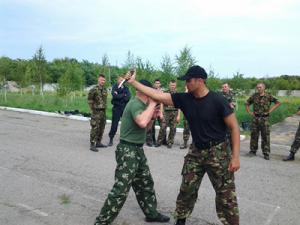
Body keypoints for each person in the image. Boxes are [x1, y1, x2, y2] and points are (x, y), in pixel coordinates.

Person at [125, 65, 240, 225]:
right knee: (187, 189)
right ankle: (180, 221)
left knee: (226, 195)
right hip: (196, 151)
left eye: (188, 80)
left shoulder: (218, 100)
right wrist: (133, 82)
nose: (186, 83)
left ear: (200, 81)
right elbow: (158, 95)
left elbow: (234, 127)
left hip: (218, 152)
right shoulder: (185, 99)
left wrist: (235, 157)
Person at [94, 79, 170, 225]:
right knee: (120, 190)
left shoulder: (143, 105)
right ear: (145, 91)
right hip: (128, 150)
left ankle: (151, 213)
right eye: (152, 91)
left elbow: (145, 128)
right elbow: (141, 122)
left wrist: (153, 117)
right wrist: (154, 103)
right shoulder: (135, 104)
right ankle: (101, 222)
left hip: (137, 150)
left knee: (145, 183)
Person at [245, 83, 281, 160]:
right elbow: (247, 103)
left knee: (265, 136)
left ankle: (266, 153)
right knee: (254, 135)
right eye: (257, 87)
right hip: (256, 118)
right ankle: (253, 151)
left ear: (264, 88)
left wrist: (270, 111)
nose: (259, 89)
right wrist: (250, 112)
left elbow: (278, 103)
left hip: (265, 119)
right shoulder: (254, 96)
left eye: (260, 87)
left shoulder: (268, 96)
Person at [156, 80, 180, 149]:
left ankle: (170, 142)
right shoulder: (165, 92)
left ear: (175, 86)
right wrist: (161, 112)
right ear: (169, 85)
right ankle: (159, 141)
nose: (172, 86)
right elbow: (161, 103)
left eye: (174, 85)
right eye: (171, 85)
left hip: (174, 113)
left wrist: (178, 115)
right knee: (163, 127)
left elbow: (179, 105)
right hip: (166, 113)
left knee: (173, 129)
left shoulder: (178, 94)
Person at [108, 76, 131, 146]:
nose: (121, 81)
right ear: (117, 80)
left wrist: (119, 95)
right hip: (116, 108)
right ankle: (111, 138)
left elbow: (128, 97)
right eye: (120, 80)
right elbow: (115, 96)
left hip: (124, 108)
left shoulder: (126, 88)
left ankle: (124, 139)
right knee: (114, 124)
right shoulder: (115, 87)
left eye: (123, 80)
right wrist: (123, 95)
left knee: (125, 124)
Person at [88, 74, 108, 152]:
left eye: (104, 80)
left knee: (101, 127)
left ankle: (98, 142)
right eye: (101, 80)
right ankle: (92, 144)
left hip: (103, 111)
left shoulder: (105, 89)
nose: (103, 81)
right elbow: (90, 100)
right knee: (95, 128)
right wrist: (93, 109)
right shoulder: (94, 89)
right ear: (98, 80)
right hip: (96, 112)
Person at [146, 79, 164, 147]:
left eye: (158, 83)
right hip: (152, 109)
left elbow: (162, 102)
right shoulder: (151, 91)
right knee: (151, 127)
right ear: (154, 84)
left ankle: (161, 140)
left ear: (160, 84)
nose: (157, 84)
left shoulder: (161, 92)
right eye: (156, 83)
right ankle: (149, 140)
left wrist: (161, 112)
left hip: (159, 109)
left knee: (163, 125)